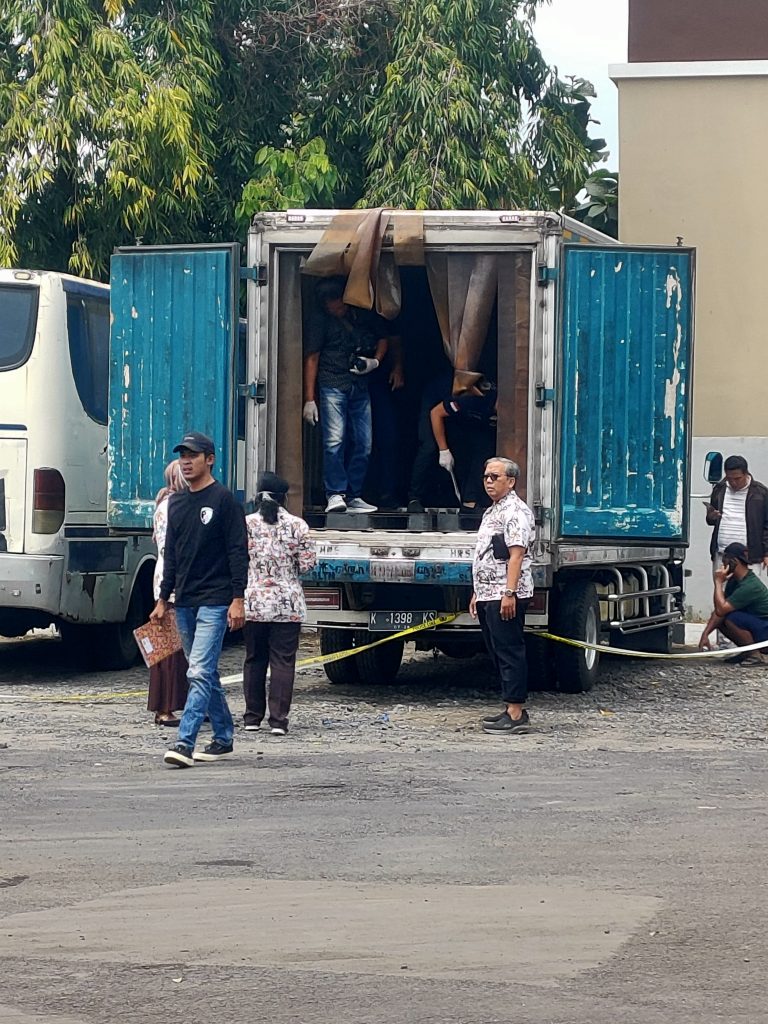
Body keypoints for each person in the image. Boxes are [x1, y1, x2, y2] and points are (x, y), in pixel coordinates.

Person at [151, 431, 248, 768]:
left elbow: (238, 552)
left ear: (210, 459)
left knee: (200, 671)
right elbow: (173, 556)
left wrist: (238, 598)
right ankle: (223, 736)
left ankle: (184, 741)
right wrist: (164, 598)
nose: (186, 461)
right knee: (205, 673)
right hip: (185, 601)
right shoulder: (176, 503)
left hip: (216, 600)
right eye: (182, 455)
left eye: (193, 455)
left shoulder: (224, 501)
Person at [303, 276, 389, 514]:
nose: (334, 307)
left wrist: (374, 362)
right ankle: (335, 493)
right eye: (329, 303)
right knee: (334, 442)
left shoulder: (361, 316)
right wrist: (310, 398)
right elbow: (312, 358)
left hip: (359, 385)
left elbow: (384, 337)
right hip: (332, 383)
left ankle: (353, 494)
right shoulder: (320, 321)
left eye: (337, 301)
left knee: (364, 443)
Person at [242, 472, 317, 735]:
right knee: (283, 661)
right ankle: (278, 721)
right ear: (284, 497)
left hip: (254, 603)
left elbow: (237, 560)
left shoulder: (246, 524)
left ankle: (252, 718)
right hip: (288, 605)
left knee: (254, 659)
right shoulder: (298, 526)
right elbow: (308, 564)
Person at [469, 457, 535, 734]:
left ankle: (517, 712)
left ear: (511, 481)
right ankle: (509, 706)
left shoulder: (515, 512)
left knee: (509, 651)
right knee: (496, 650)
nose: (488, 481)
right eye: (486, 476)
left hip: (504, 593)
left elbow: (516, 555)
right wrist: (478, 592)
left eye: (495, 477)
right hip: (488, 592)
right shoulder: (493, 511)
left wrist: (508, 593)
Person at [408, 381, 497, 513]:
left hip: (471, 425)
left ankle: (470, 501)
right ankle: (414, 498)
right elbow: (436, 413)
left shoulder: (499, 411)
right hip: (442, 412)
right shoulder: (473, 398)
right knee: (429, 448)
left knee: (483, 450)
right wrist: (444, 450)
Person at [147, 461, 189, 727]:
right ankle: (165, 707)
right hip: (174, 584)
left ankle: (171, 705)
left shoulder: (163, 505)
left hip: (166, 580)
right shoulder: (175, 507)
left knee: (170, 647)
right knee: (171, 649)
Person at [698, 541, 768, 664]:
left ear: (734, 561)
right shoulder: (735, 581)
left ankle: (754, 654)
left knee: (731, 618)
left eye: (725, 559)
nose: (723, 563)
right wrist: (705, 634)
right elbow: (718, 612)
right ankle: (747, 652)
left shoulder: (750, 585)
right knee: (721, 618)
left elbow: (722, 609)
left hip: (765, 632)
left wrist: (718, 582)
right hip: (759, 627)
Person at [706, 456, 768, 574]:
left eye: (737, 478)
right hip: (722, 554)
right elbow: (711, 520)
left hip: (749, 556)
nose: (733, 482)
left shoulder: (761, 493)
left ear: (746, 474)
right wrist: (711, 517)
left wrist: (766, 553)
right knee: (720, 589)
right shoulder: (719, 489)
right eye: (729, 478)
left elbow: (766, 525)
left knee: (748, 590)